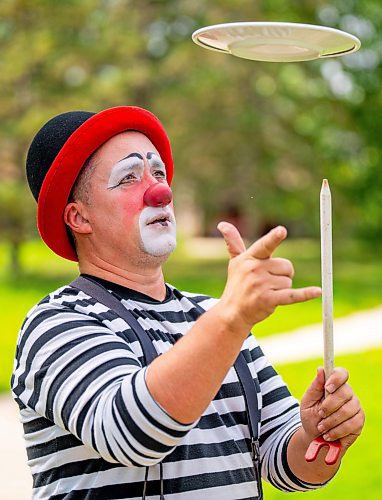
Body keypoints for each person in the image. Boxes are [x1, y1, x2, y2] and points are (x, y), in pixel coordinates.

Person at [12, 105, 364, 499]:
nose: (160, 190)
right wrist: (232, 319)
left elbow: (285, 463)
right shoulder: (57, 323)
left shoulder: (216, 316)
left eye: (158, 172)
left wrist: (322, 434)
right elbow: (132, 433)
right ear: (79, 218)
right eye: (128, 177)